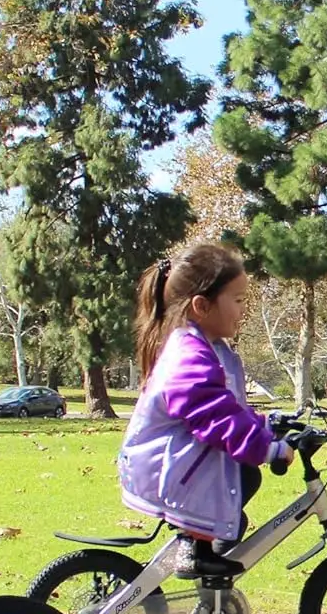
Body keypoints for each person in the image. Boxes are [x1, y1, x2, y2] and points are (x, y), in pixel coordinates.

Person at [117, 242, 293, 579]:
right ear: (201, 305)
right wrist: (268, 449)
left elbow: (231, 408)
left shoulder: (208, 348)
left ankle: (210, 585)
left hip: (173, 464)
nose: (244, 310)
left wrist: (268, 426)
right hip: (162, 468)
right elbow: (217, 418)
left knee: (242, 482)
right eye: (238, 301)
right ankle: (194, 552)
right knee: (242, 474)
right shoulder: (188, 355)